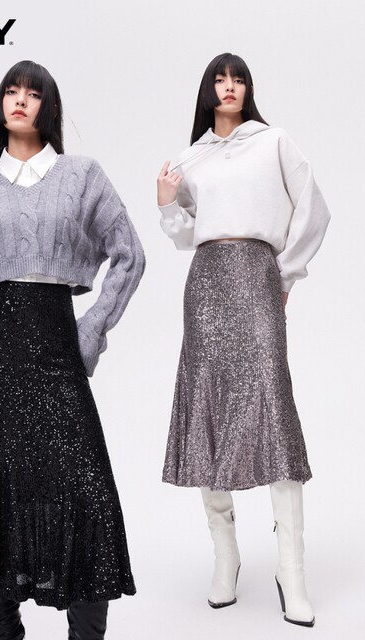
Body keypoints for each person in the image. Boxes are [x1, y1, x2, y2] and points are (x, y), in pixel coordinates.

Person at [0, 59, 145, 640]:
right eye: (11, 90)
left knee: (86, 495)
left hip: (56, 345)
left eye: (32, 93)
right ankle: (8, 634)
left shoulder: (82, 175)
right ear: (0, 104)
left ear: (48, 108)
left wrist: (89, 332)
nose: (20, 100)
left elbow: (130, 255)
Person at [156, 52, 330, 628]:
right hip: (206, 284)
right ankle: (225, 557)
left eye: (238, 80)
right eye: (219, 79)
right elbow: (185, 235)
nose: (228, 87)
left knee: (273, 409)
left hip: (257, 276)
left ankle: (291, 571)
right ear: (207, 90)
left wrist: (285, 275)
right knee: (209, 409)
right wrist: (166, 202)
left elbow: (314, 209)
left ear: (248, 89)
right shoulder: (191, 157)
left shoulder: (273, 141)